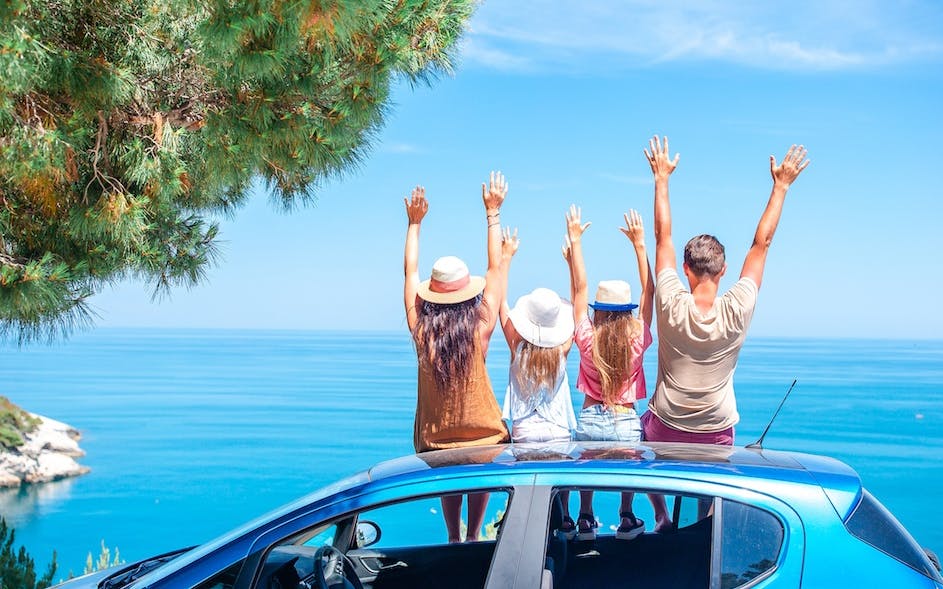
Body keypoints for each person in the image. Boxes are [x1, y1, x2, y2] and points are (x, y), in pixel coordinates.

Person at [641, 135, 810, 447]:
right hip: (716, 431)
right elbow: (762, 246)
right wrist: (781, 187)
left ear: (685, 268)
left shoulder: (670, 303)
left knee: (640, 429)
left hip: (666, 427)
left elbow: (662, 236)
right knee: (712, 488)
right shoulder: (737, 308)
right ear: (724, 270)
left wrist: (661, 178)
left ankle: (655, 498)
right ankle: (708, 500)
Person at [402, 173, 512, 543]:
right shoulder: (480, 328)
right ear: (468, 294)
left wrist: (414, 224)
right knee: (479, 464)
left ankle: (453, 536)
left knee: (449, 472)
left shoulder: (422, 333)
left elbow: (409, 273)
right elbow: (496, 270)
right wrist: (492, 213)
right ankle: (475, 533)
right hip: (485, 438)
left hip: (435, 443)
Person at [564, 204, 668, 539]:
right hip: (625, 420)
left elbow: (579, 290)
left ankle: (584, 518)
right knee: (629, 472)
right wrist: (639, 244)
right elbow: (649, 292)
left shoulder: (586, 338)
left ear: (599, 312)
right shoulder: (637, 337)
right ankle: (626, 516)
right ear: (626, 312)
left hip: (591, 416)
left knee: (585, 470)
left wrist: (575, 241)